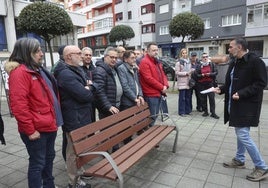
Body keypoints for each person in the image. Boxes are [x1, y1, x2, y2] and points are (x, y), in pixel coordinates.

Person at [5, 38, 63, 188]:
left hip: (49, 124)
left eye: (41, 50)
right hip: (37, 130)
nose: (41, 54)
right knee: (38, 163)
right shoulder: (20, 73)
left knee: (49, 158)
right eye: (37, 51)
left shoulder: (37, 69)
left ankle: (49, 185)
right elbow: (19, 106)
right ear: (26, 53)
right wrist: (30, 130)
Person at [214, 37, 268, 182]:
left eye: (231, 47)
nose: (229, 49)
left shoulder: (255, 61)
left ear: (240, 47)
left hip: (247, 105)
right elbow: (231, 84)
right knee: (240, 132)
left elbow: (261, 83)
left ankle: (262, 167)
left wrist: (242, 93)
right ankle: (239, 159)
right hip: (235, 104)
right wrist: (221, 89)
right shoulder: (235, 62)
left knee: (243, 134)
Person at [54, 45, 97, 188]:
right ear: (68, 57)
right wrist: (89, 87)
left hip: (81, 116)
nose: (82, 55)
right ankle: (73, 182)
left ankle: (80, 174)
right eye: (78, 53)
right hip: (74, 118)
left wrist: (89, 86)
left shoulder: (76, 69)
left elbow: (90, 86)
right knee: (73, 152)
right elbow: (85, 95)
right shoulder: (65, 74)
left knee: (80, 149)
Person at [139, 42, 169, 126]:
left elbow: (162, 74)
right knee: (152, 116)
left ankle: (149, 130)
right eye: (153, 50)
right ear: (148, 51)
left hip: (158, 92)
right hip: (150, 94)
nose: (156, 52)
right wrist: (161, 87)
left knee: (155, 115)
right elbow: (148, 78)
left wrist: (166, 85)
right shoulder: (145, 62)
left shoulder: (157, 61)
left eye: (157, 50)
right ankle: (148, 132)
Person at [93, 47, 123, 119]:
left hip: (117, 105)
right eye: (112, 57)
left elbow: (123, 61)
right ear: (105, 57)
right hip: (108, 109)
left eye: (116, 58)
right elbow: (99, 91)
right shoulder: (99, 71)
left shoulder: (114, 68)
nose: (114, 60)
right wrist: (108, 106)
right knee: (109, 129)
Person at [195, 52, 219, 119]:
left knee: (212, 98)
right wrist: (201, 75)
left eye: (206, 57)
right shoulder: (199, 65)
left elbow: (216, 72)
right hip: (202, 84)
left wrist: (210, 74)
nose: (205, 58)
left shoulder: (212, 64)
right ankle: (205, 111)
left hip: (210, 84)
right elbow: (196, 74)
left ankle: (213, 113)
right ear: (201, 58)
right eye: (203, 57)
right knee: (203, 99)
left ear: (208, 57)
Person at [81, 47, 96, 122]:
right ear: (82, 56)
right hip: (84, 101)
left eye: (90, 55)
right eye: (86, 55)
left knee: (93, 121)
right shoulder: (79, 68)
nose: (88, 57)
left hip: (94, 100)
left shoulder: (93, 67)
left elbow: (97, 82)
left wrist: (92, 84)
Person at [175, 48, 192, 116]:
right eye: (183, 53)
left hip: (188, 82)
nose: (184, 54)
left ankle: (187, 111)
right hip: (182, 82)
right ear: (181, 54)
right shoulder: (178, 62)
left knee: (188, 97)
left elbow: (190, 70)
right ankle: (181, 111)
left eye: (185, 53)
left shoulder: (188, 62)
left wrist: (191, 72)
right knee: (182, 98)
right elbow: (177, 72)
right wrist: (186, 73)